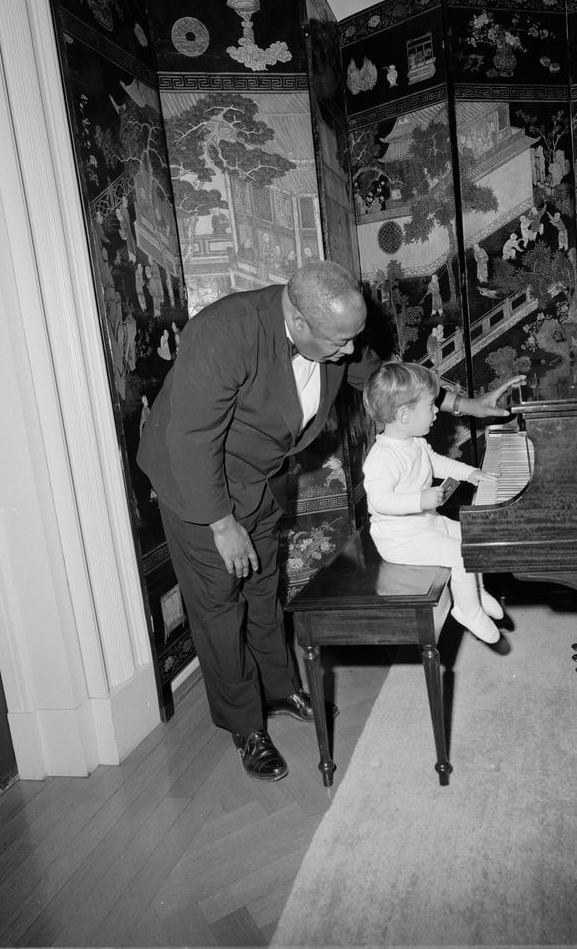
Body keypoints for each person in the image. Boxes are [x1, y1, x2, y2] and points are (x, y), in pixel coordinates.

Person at [137, 261, 522, 782]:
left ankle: (280, 688)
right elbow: (190, 441)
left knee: (263, 585)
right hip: (196, 481)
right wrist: (222, 524)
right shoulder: (225, 333)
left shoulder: (334, 331)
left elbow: (389, 380)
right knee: (220, 603)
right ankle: (245, 726)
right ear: (296, 320)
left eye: (353, 337)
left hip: (258, 472)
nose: (349, 352)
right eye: (340, 342)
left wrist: (469, 405)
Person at [361, 361, 506, 645]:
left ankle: (474, 591)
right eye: (430, 405)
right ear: (404, 415)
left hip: (426, 524)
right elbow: (379, 501)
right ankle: (467, 610)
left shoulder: (414, 442)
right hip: (399, 539)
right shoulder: (383, 457)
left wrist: (469, 473)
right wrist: (420, 499)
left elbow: (435, 463)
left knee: (471, 537)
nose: (437, 410)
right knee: (460, 554)